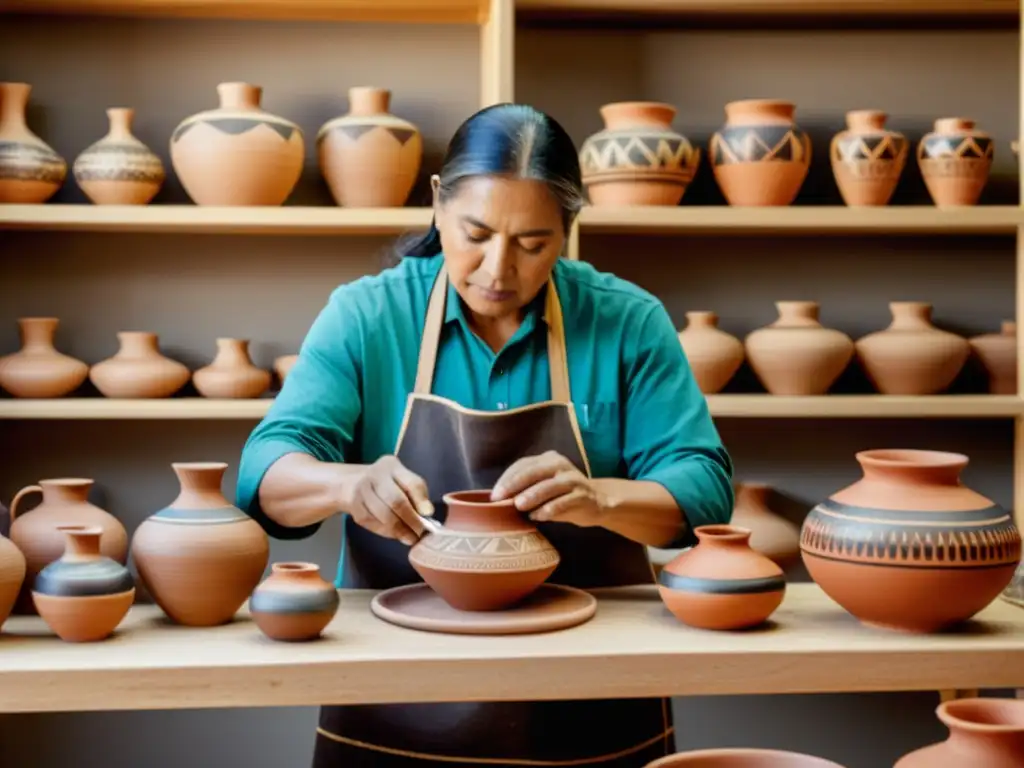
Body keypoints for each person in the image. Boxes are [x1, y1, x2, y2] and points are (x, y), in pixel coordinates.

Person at [235, 102, 734, 768]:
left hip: (591, 686)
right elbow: (263, 473)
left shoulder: (626, 321)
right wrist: (347, 483)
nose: (498, 269)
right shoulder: (368, 314)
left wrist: (601, 499)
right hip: (398, 685)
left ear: (568, 230)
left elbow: (705, 488)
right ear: (438, 205)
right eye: (474, 233)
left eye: (533, 244)